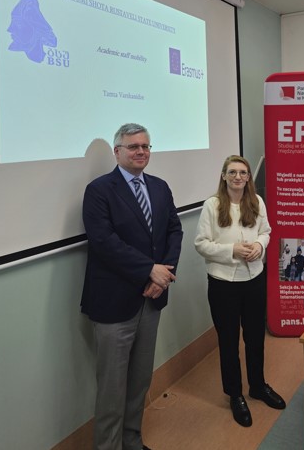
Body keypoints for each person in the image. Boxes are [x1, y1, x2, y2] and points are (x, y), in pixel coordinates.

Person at [81, 123, 183, 450]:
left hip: (151, 299)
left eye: (146, 146)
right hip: (114, 303)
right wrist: (149, 271)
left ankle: (132, 441)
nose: (141, 152)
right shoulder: (99, 190)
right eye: (133, 146)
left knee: (140, 380)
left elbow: (174, 231)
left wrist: (164, 275)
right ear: (117, 152)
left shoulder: (159, 187)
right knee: (112, 388)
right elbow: (103, 241)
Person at [195, 155, 285, 427]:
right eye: (232, 172)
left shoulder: (256, 202)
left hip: (254, 278)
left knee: (255, 337)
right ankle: (235, 394)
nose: (238, 177)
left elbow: (266, 231)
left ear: (248, 177)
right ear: (224, 176)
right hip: (223, 283)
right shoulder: (212, 205)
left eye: (243, 173)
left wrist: (259, 245)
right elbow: (201, 244)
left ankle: (257, 386)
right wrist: (231, 250)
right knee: (229, 340)